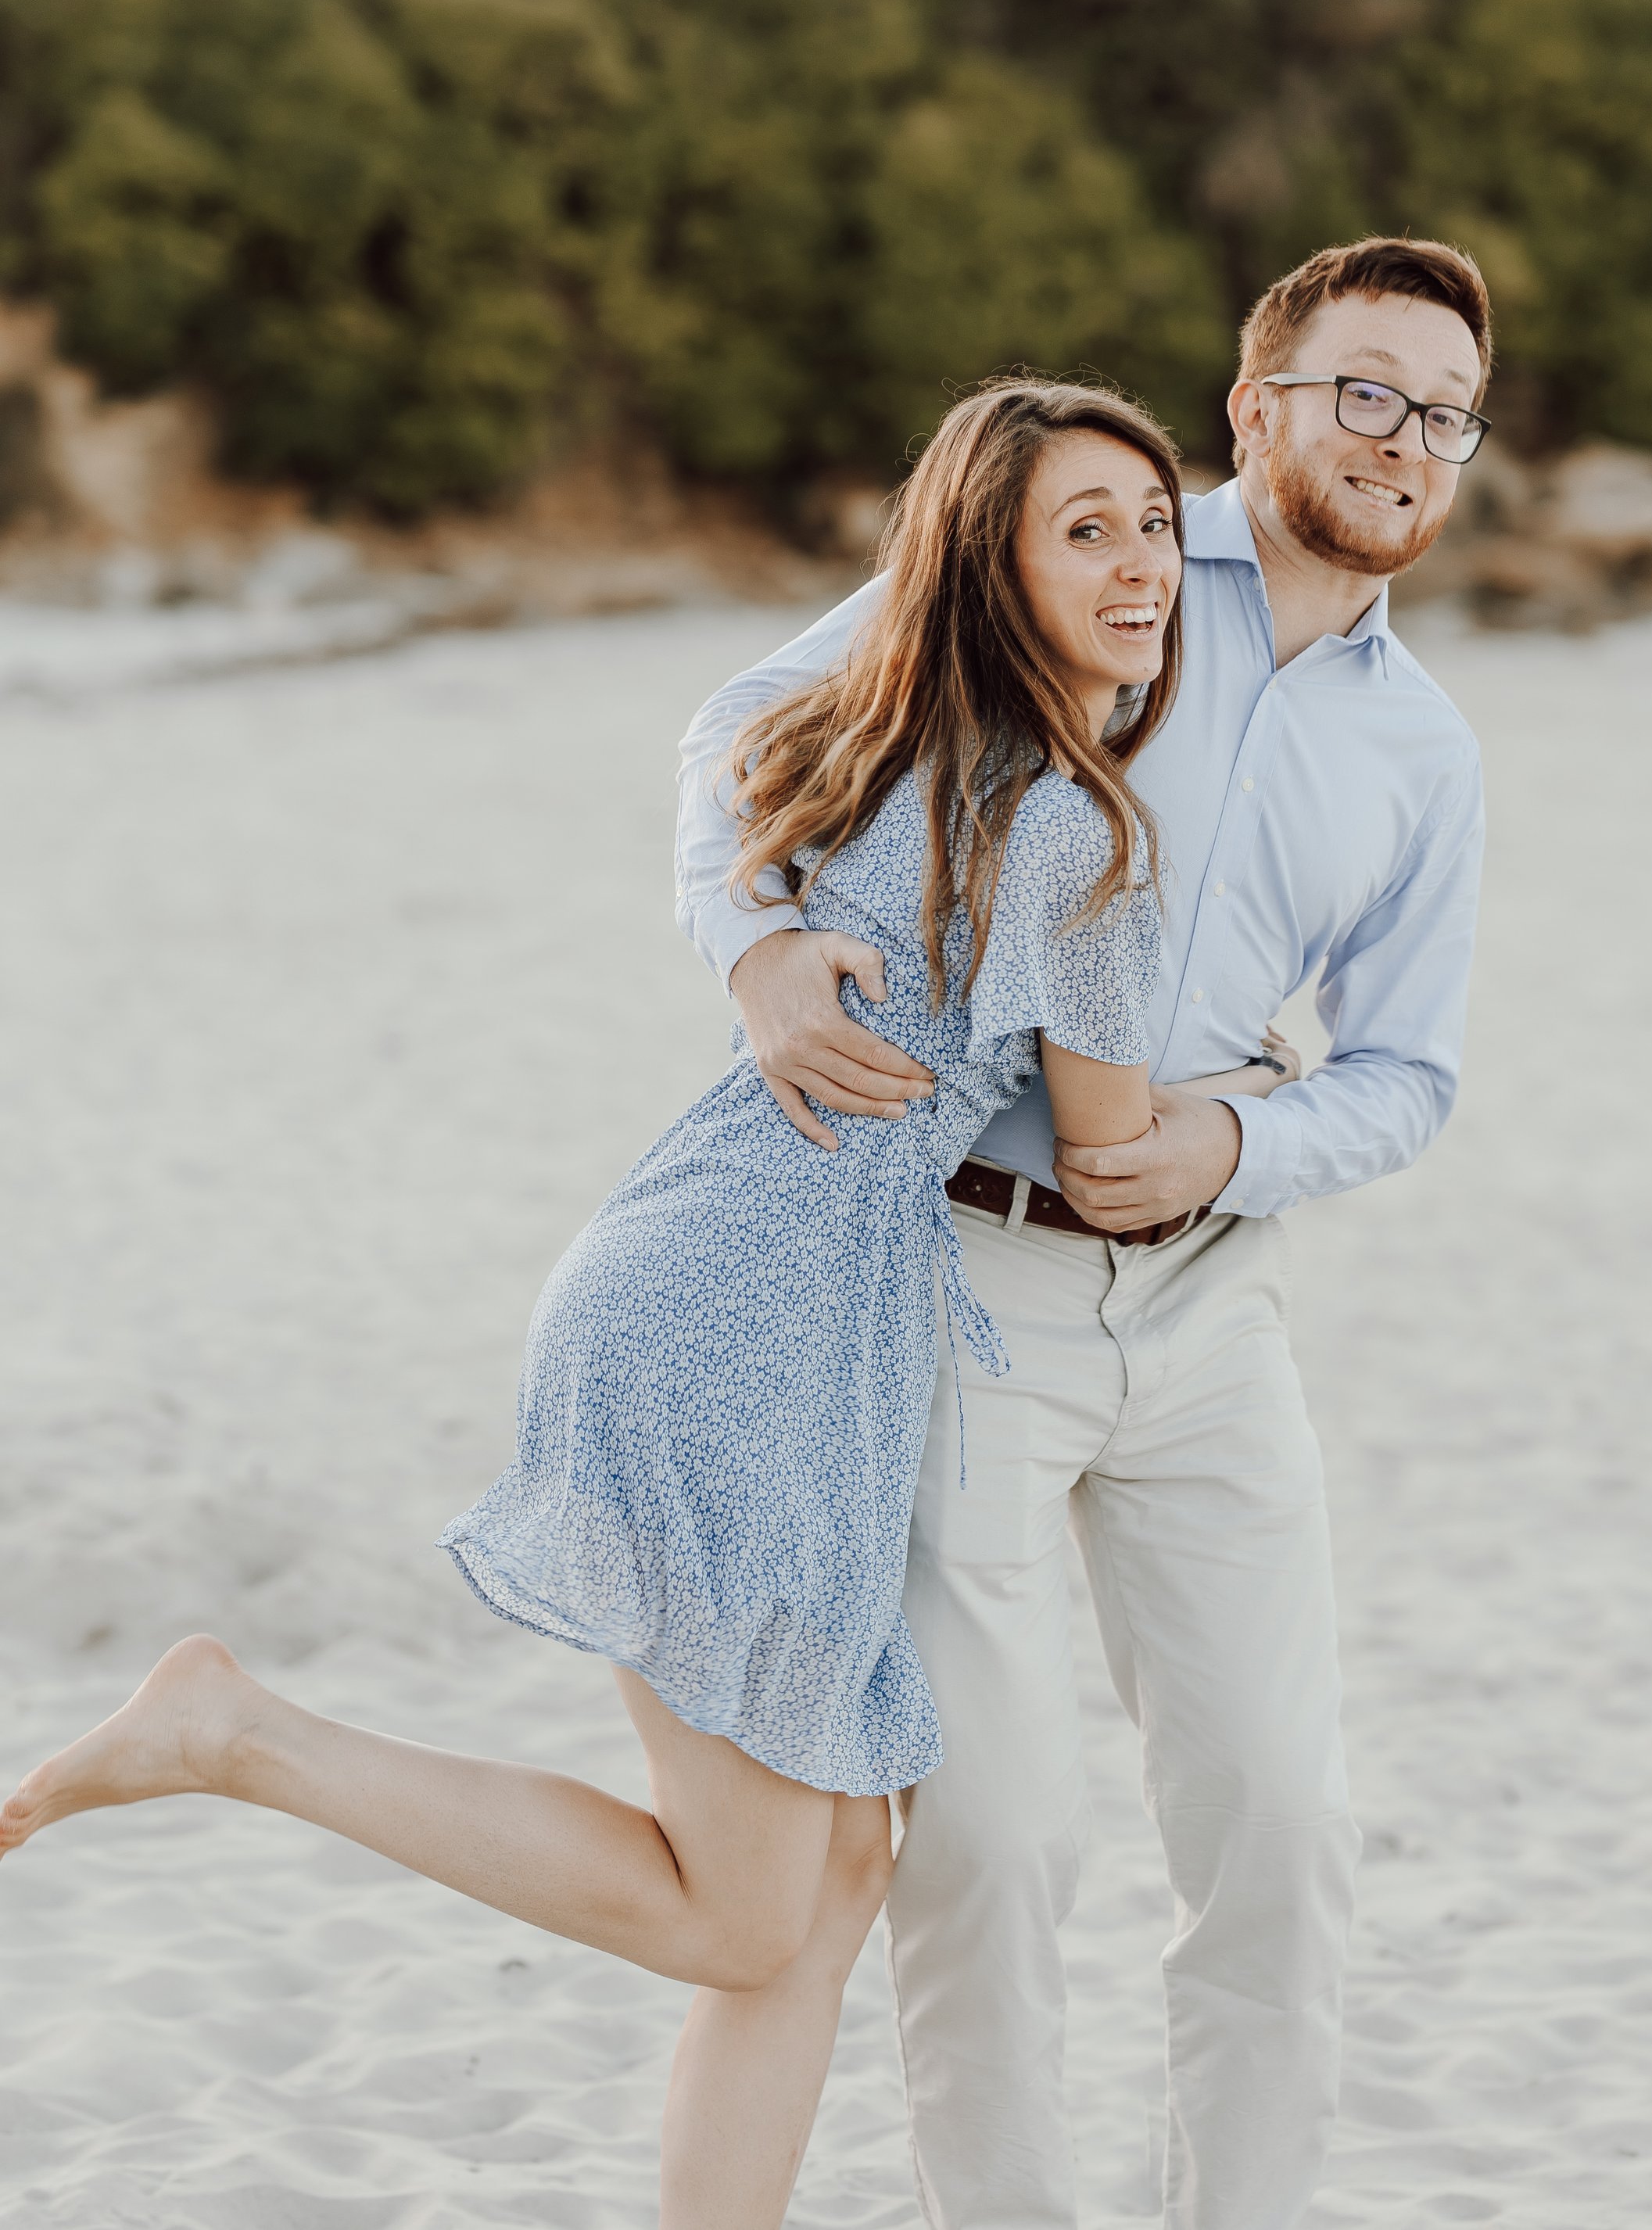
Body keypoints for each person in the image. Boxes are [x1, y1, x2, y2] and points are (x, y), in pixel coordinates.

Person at [0, 381, 1295, 2230]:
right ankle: (240, 1736)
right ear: (990, 568)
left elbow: (734, 773)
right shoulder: (1074, 836)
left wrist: (767, 948)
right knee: (751, 1900)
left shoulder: (890, 745)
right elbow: (1105, 1156)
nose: (1141, 562)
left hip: (738, 1295)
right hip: (741, 1332)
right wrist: (1270, 1088)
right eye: (1081, 528)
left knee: (833, 1878)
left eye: (1154, 525)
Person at [678, 235, 1493, 2228]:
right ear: (1259, 407)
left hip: (1214, 1316)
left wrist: (1231, 1145)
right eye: (1360, 391)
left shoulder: (1424, 753)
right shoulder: (1082, 556)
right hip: (963, 1275)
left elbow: (1405, 1074)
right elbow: (747, 728)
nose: (1402, 442)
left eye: (1444, 414)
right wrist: (756, 949)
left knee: (1281, 1832)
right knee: (989, 1838)